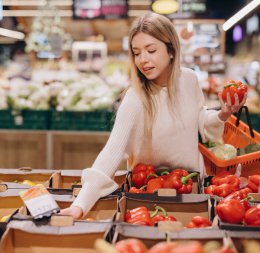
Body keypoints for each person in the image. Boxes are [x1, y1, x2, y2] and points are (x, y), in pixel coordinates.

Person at [60, 12, 246, 219]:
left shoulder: (190, 80)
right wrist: (80, 204)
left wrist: (222, 114)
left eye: (151, 50)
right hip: (148, 198)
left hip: (193, 191)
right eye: (136, 53)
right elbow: (112, 151)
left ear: (171, 50)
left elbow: (199, 120)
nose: (143, 60)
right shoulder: (135, 98)